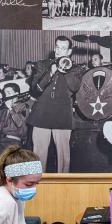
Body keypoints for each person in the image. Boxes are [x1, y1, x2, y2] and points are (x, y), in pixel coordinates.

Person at [27, 36, 84, 172]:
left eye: (63, 48)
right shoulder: (42, 65)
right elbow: (35, 89)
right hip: (41, 114)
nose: (59, 51)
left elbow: (75, 87)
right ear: (54, 48)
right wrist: (50, 72)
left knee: (64, 157)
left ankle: (63, 184)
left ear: (69, 52)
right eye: (57, 47)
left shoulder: (76, 69)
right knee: (38, 155)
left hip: (62, 115)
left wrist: (66, 68)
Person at [0, 82, 31, 153]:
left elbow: (19, 123)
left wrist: (10, 108)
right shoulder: (2, 110)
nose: (6, 96)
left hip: (14, 141)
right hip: (0, 141)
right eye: (5, 94)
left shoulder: (24, 106)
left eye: (9, 93)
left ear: (16, 94)